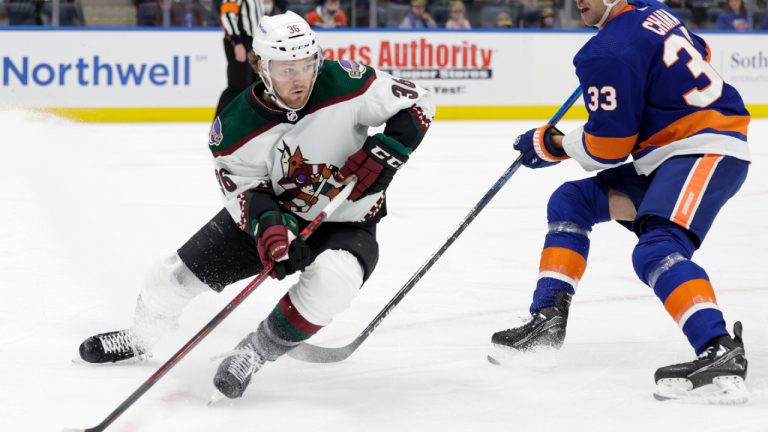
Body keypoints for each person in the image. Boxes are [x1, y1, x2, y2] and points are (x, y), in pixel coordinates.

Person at [77, 11, 434, 400]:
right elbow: (247, 191)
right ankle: (141, 336)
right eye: (286, 69)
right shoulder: (234, 127)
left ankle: (253, 352)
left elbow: (418, 104)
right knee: (170, 279)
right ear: (262, 67)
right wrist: (271, 230)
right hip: (274, 217)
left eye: (307, 65)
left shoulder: (345, 82)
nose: (300, 78)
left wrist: (386, 153)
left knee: (334, 282)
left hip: (346, 221)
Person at [490, 0, 750, 404]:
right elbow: (700, 50)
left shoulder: (607, 51)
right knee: (571, 200)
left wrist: (551, 144)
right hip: (670, 155)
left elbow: (608, 148)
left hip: (704, 148)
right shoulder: (653, 10)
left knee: (657, 248)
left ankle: (718, 348)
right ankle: (547, 319)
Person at [215, 0, 264, 116]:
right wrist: (236, 42)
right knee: (238, 84)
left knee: (255, 84)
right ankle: (219, 125)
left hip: (254, 42)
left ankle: (249, 122)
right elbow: (227, 15)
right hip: (240, 40)